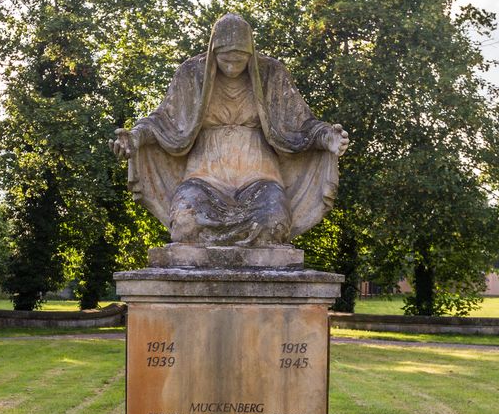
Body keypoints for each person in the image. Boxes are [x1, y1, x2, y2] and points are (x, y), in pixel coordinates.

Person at [112, 13, 349, 246]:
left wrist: (330, 138)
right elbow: (162, 121)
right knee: (185, 227)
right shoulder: (192, 73)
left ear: (250, 55)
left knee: (273, 226)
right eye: (225, 59)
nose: (232, 66)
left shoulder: (271, 73)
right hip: (203, 177)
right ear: (214, 52)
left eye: (239, 60)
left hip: (260, 178)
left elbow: (303, 124)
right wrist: (134, 138)